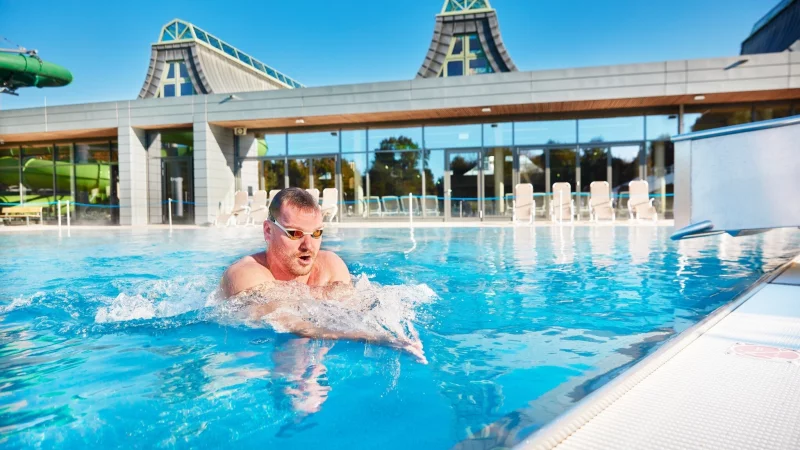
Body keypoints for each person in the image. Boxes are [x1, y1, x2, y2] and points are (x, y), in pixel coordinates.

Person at [221, 188, 426, 363]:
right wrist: (373, 337)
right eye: (294, 233)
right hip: (257, 351)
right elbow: (287, 322)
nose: (308, 246)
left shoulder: (330, 266)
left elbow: (359, 306)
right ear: (268, 231)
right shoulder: (245, 276)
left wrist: (397, 328)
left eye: (317, 233)